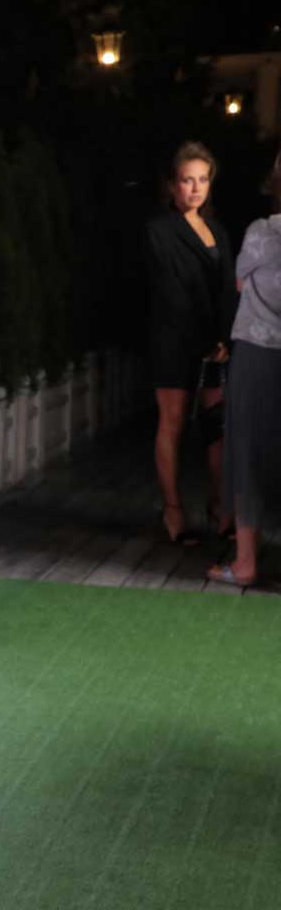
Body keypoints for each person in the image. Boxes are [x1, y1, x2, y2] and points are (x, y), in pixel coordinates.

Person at [143, 141, 238, 543]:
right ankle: (173, 512)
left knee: (218, 427)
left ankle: (220, 508)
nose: (196, 188)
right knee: (174, 423)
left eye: (203, 180)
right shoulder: (158, 231)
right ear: (172, 185)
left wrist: (225, 336)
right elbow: (168, 291)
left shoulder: (217, 230)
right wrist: (203, 335)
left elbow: (228, 288)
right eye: (187, 180)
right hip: (173, 340)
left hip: (215, 342)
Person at [207, 150, 281, 586]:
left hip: (257, 351)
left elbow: (239, 282)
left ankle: (247, 562)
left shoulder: (259, 233)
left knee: (248, 449)